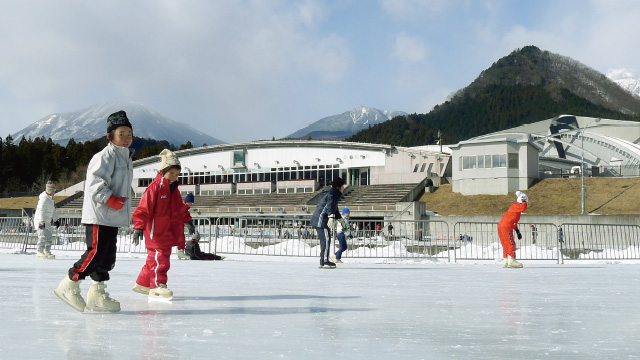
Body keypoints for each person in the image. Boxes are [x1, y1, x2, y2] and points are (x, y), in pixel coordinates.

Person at [54, 110, 134, 312]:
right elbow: (94, 183)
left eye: (129, 134)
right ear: (110, 136)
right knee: (96, 252)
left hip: (113, 216)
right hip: (100, 214)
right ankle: (70, 283)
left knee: (107, 257)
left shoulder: (126, 158)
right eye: (121, 134)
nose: (126, 139)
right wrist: (111, 199)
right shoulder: (105, 156)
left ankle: (97, 293)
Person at [131, 149, 194, 301]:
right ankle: (158, 285)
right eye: (171, 173)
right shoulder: (155, 188)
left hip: (167, 231)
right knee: (161, 259)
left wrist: (188, 221)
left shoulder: (174, 191)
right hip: (156, 232)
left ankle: (143, 284)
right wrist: (138, 227)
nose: (174, 177)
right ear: (163, 171)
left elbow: (180, 208)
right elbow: (143, 208)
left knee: (153, 260)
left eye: (177, 174)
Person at [310, 177, 345, 268]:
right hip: (320, 220)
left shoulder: (334, 193)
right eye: (342, 186)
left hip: (321, 219)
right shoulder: (332, 194)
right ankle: (324, 260)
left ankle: (324, 260)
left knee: (327, 239)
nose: (343, 188)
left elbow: (334, 208)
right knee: (326, 239)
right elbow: (329, 206)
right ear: (338, 187)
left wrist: (339, 219)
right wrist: (331, 216)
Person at [498, 191, 528, 268]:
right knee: (511, 243)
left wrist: (517, 231)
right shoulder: (517, 205)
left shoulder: (515, 209)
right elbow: (523, 208)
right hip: (506, 226)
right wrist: (524, 201)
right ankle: (511, 260)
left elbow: (514, 222)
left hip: (502, 225)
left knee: (505, 244)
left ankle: (506, 260)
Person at [35, 180, 60, 259]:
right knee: (42, 237)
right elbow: (40, 210)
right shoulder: (43, 199)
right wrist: (41, 221)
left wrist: (56, 219)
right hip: (41, 221)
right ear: (49, 191)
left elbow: (53, 210)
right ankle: (39, 252)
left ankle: (47, 251)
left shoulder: (51, 199)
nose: (54, 193)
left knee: (48, 237)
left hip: (47, 221)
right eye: (53, 191)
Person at [176, 192, 195, 260]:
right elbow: (184, 216)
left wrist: (190, 223)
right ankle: (180, 252)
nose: (191, 204)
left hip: (178, 224)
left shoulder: (184, 207)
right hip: (176, 224)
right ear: (188, 201)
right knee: (180, 237)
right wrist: (189, 223)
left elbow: (186, 216)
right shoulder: (183, 207)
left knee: (181, 237)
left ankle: (180, 252)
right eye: (191, 202)